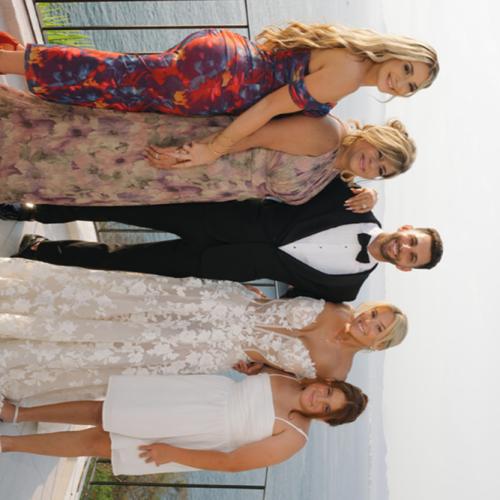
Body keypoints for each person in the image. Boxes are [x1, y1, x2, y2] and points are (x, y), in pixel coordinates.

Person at [0, 22, 438, 167]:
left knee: (117, 70)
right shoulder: (347, 74)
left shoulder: (351, 52)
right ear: (398, 53)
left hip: (225, 56)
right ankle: (9, 61)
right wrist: (213, 148)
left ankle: (12, 57)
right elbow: (269, 107)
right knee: (110, 78)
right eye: (407, 69)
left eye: (411, 86)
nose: (401, 83)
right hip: (217, 82)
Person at [0, 257, 405, 408]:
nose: (368, 322)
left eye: (378, 328)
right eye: (375, 314)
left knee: (130, 349)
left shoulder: (336, 373)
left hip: (215, 348)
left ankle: (21, 358)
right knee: (126, 300)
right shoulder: (338, 306)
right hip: (221, 302)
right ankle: (19, 302)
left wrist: (260, 370)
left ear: (378, 343)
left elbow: (291, 387)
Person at [12, 177, 444, 302]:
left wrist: (255, 300)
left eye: (412, 257)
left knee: (120, 260)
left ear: (406, 268)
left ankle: (39, 251)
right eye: (412, 242)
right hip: (216, 215)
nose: (404, 249)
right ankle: (33, 209)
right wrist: (366, 188)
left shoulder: (345, 290)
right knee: (121, 209)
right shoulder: (353, 200)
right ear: (407, 229)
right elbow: (323, 161)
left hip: (216, 267)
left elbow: (294, 307)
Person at [0, 83, 412, 207]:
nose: (372, 164)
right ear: (373, 137)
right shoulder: (328, 135)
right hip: (201, 151)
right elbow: (256, 135)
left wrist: (370, 196)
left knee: (93, 176)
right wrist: (196, 154)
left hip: (196, 183)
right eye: (380, 154)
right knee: (93, 149)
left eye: (382, 170)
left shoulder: (331, 173)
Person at [0, 372, 367, 474]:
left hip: (195, 436)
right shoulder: (290, 377)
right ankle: (17, 414)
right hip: (194, 395)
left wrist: (172, 453)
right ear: (325, 382)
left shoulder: (294, 437)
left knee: (98, 442)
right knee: (103, 410)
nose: (318, 399)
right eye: (327, 392)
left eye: (326, 407)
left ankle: (9, 444)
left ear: (325, 419)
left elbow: (232, 463)